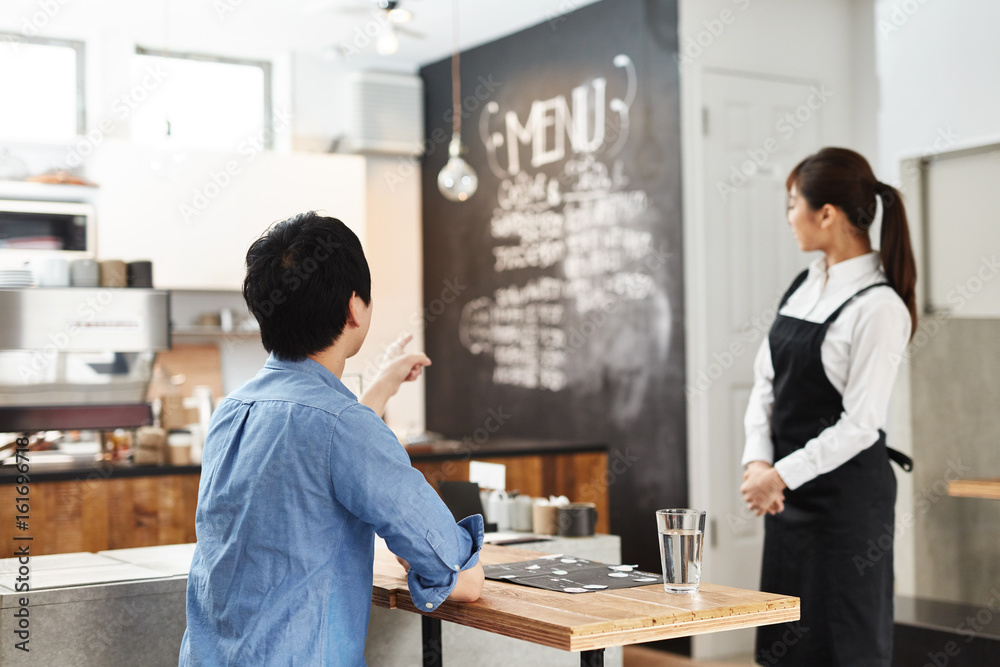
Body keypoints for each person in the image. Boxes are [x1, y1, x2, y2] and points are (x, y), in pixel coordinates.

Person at [179, 211, 484, 666]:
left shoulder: (232, 410)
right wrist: (449, 563)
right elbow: (458, 573)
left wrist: (382, 387)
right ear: (354, 308)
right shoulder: (343, 428)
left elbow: (317, 448)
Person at [740, 147, 917, 666]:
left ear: (826, 215)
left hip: (846, 509)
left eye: (793, 203)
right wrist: (758, 462)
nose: (788, 216)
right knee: (785, 644)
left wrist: (779, 475)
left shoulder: (879, 307)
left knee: (846, 647)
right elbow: (765, 381)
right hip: (786, 500)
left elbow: (861, 425)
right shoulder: (804, 284)